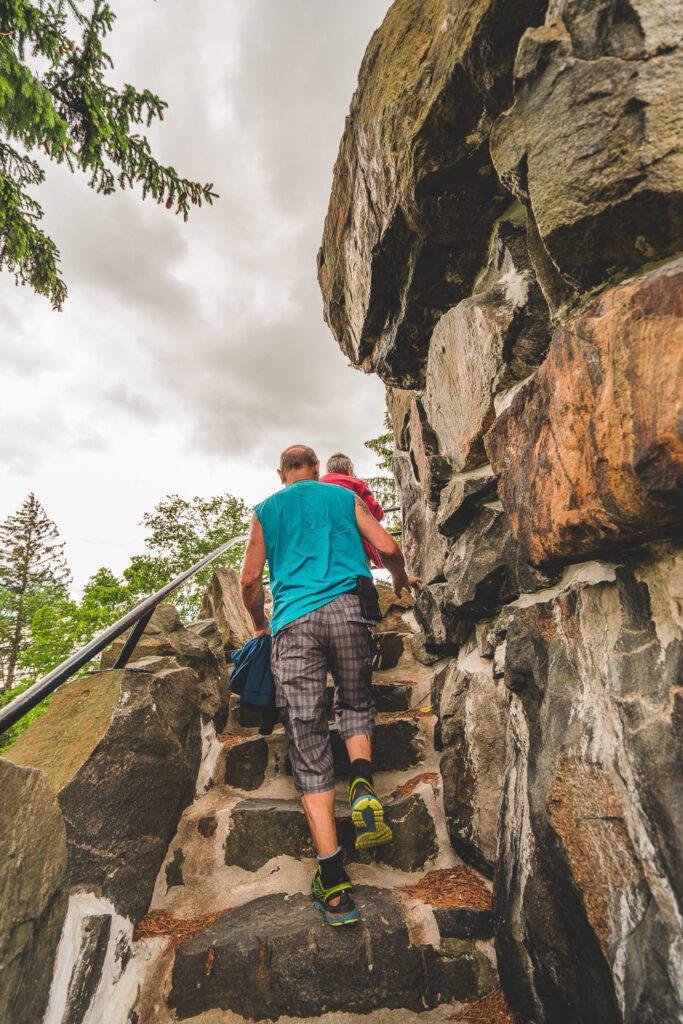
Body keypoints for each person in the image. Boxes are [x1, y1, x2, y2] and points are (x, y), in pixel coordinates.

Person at [240, 444, 421, 927]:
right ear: (317, 470)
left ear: (281, 474)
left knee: (306, 732)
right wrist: (400, 579)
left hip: (294, 623)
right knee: (356, 699)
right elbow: (387, 547)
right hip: (348, 610)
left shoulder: (265, 511)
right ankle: (361, 781)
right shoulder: (341, 498)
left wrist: (261, 625)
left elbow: (249, 581)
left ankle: (335, 882)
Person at [320, 453, 385, 568]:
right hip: (354, 546)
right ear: (350, 470)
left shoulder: (317, 485)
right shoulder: (355, 484)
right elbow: (376, 514)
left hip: (322, 546)